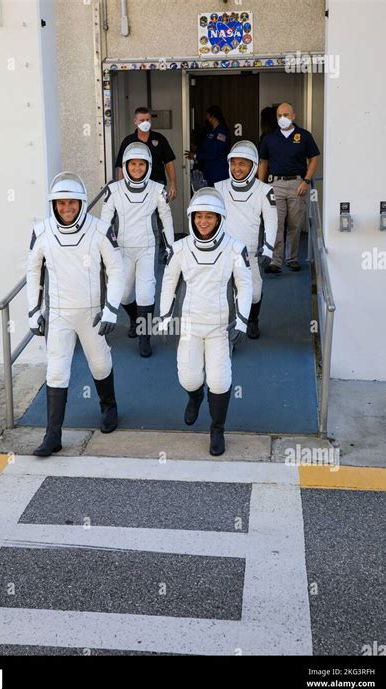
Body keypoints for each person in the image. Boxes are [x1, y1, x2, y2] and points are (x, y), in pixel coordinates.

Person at [27, 172, 124, 457]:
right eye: (60, 203)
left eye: (71, 202)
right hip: (58, 313)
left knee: (99, 363)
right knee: (56, 371)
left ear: (81, 203)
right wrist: (33, 310)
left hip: (92, 312)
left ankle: (109, 407)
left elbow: (116, 270)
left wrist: (111, 309)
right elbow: (33, 272)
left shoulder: (100, 229)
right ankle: (52, 435)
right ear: (53, 204)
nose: (66, 208)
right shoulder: (41, 231)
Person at [158, 188, 252, 456]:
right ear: (192, 218)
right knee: (188, 378)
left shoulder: (235, 248)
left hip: (220, 326)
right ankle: (194, 397)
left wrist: (242, 321)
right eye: (199, 216)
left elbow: (244, 287)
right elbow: (168, 284)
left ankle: (217, 429)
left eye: (209, 216)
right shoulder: (180, 248)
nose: (203, 221)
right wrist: (164, 316)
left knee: (220, 381)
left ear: (220, 218)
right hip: (189, 324)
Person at [101, 143, 174, 358]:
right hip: (121, 249)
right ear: (125, 165)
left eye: (141, 164)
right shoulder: (113, 190)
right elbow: (105, 222)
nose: (136, 168)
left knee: (145, 293)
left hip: (147, 248)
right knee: (123, 294)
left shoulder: (157, 189)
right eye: (132, 164)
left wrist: (170, 245)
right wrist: (104, 249)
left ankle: (145, 337)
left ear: (148, 166)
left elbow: (166, 218)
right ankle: (134, 319)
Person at [214, 141, 277, 339]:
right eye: (234, 163)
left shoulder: (264, 191)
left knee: (255, 293)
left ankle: (253, 319)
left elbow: (271, 220)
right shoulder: (219, 187)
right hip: (223, 250)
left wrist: (268, 248)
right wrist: (198, 193)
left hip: (249, 251)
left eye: (242, 163)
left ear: (253, 166)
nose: (237, 168)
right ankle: (229, 328)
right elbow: (207, 215)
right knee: (225, 291)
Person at [258, 102, 320, 273]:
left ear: (293, 116)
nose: (282, 118)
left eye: (286, 115)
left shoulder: (304, 136)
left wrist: (306, 181)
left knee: (295, 223)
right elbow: (263, 163)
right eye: (279, 115)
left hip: (297, 184)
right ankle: (275, 261)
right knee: (275, 224)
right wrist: (260, 187)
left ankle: (292, 259)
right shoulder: (270, 138)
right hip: (275, 184)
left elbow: (314, 158)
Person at [115, 107, 177, 199]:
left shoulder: (159, 139)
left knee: (160, 212)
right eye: (142, 120)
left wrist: (173, 184)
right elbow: (121, 166)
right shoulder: (128, 141)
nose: (145, 123)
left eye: (147, 120)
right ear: (135, 121)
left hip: (157, 184)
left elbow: (169, 163)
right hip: (134, 186)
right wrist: (121, 188)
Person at [185, 105, 231, 187]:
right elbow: (207, 148)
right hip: (209, 172)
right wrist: (197, 149)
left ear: (212, 117)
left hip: (218, 173)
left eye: (207, 115)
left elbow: (214, 153)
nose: (206, 117)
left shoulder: (221, 132)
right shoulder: (211, 131)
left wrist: (195, 156)